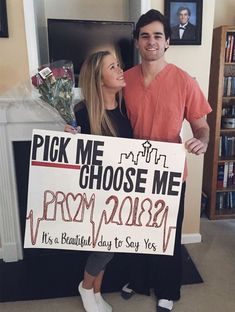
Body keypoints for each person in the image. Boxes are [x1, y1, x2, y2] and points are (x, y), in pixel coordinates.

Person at [122, 9, 212, 312]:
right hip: (132, 169)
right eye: (145, 36)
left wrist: (202, 140)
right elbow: (105, 116)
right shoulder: (125, 80)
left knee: (167, 234)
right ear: (137, 41)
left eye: (157, 36)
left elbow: (202, 125)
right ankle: (137, 279)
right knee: (134, 228)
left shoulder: (184, 81)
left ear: (168, 41)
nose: (151, 41)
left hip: (170, 172)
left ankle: (167, 290)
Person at [65, 50, 132, 312]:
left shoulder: (126, 108)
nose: (120, 70)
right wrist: (68, 136)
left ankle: (96, 291)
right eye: (112, 67)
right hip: (94, 196)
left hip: (121, 193)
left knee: (110, 247)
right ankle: (85, 287)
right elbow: (73, 158)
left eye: (118, 65)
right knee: (103, 248)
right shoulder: (82, 113)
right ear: (99, 79)